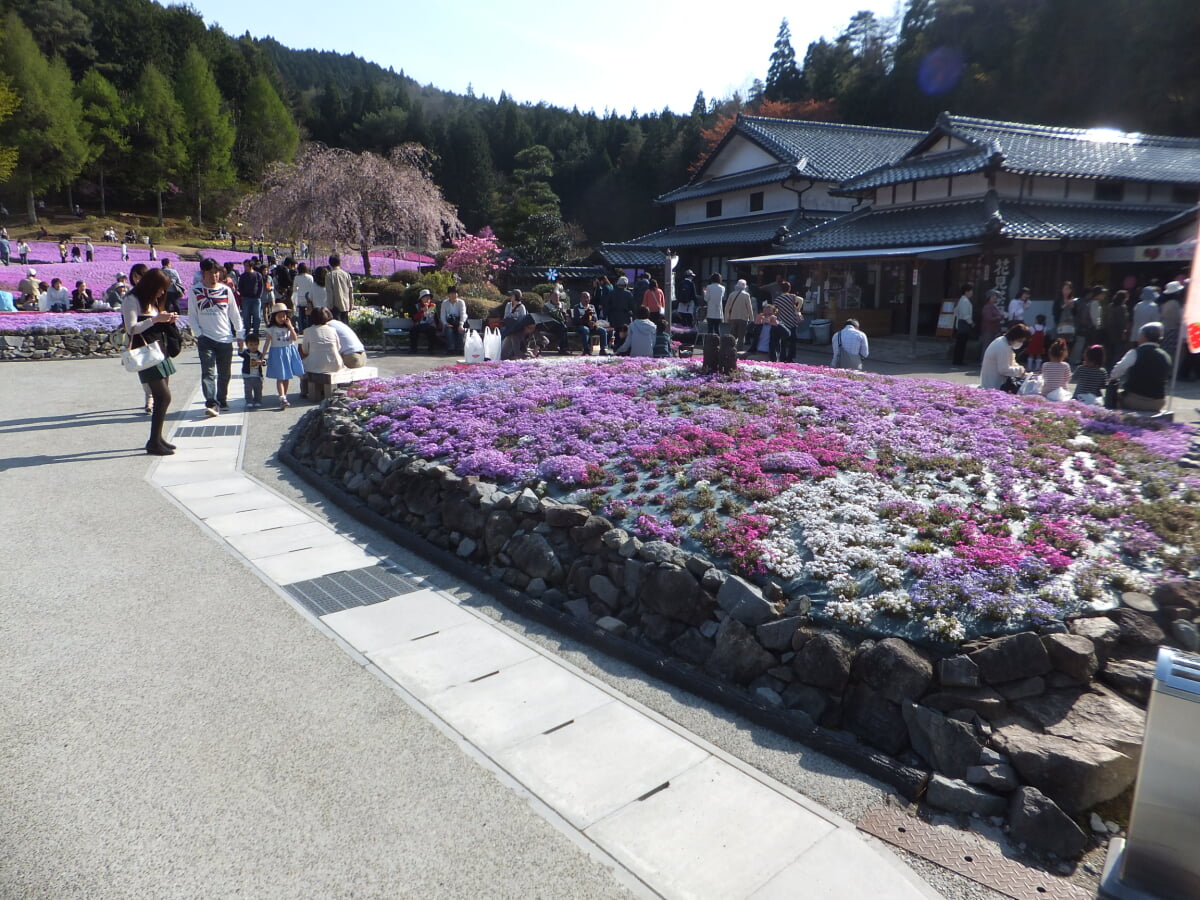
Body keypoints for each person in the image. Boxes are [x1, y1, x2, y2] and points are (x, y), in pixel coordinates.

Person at [122, 268, 179, 455]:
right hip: (145, 353)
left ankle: (157, 438)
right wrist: (155, 320)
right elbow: (131, 329)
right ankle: (154, 442)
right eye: (160, 289)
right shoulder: (132, 299)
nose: (162, 293)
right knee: (163, 396)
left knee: (164, 397)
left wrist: (167, 320)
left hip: (158, 350)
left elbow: (155, 320)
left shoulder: (150, 300)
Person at [191, 257, 245, 418]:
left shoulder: (225, 290)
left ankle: (222, 399)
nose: (214, 276)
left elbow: (234, 314)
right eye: (210, 273)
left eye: (216, 273)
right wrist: (199, 333)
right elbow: (192, 315)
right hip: (206, 338)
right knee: (208, 371)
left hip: (225, 338)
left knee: (224, 373)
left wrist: (240, 333)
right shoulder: (196, 290)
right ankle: (211, 402)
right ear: (203, 273)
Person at [1109, 322, 1172, 412]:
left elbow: (1117, 371)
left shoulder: (1136, 352)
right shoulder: (1166, 356)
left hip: (1136, 400)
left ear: (1143, 336)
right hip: (1158, 402)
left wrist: (1112, 379)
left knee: (1111, 400)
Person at [261, 303, 305, 408]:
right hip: (277, 353)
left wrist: (290, 326)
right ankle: (282, 397)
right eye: (279, 316)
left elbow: (295, 338)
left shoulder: (288, 327)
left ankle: (284, 396)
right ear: (274, 317)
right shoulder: (271, 328)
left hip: (288, 351)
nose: (282, 318)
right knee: (281, 376)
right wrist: (262, 355)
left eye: (284, 316)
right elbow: (267, 342)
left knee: (287, 376)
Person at [980, 323, 1031, 390]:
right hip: (994, 385)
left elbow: (1011, 361)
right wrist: (1020, 370)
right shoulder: (1003, 347)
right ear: (1015, 337)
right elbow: (1004, 370)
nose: (1021, 343)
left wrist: (1019, 369)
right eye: (1020, 341)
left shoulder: (1003, 342)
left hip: (992, 382)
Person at [300, 307, 344, 378]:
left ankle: (307, 388)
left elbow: (305, 351)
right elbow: (338, 347)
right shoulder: (332, 330)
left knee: (300, 366)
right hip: (335, 365)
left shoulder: (308, 331)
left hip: (315, 365)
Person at [571, 291, 608, 356]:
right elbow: (576, 320)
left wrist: (593, 322)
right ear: (581, 298)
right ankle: (586, 350)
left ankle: (603, 349)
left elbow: (596, 318)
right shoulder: (577, 307)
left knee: (603, 331)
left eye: (587, 297)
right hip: (581, 326)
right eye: (584, 297)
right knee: (585, 330)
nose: (586, 299)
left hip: (592, 325)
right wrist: (586, 320)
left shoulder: (592, 306)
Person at [773, 282, 801, 362]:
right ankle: (790, 357)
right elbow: (801, 300)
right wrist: (798, 309)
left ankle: (782, 357)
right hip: (792, 321)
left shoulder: (777, 299)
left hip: (783, 322)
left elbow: (775, 310)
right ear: (789, 289)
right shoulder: (792, 297)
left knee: (783, 341)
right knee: (792, 342)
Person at [237, 258, 265, 338]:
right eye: (244, 266)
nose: (245, 267)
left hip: (256, 298)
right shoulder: (243, 276)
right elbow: (240, 286)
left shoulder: (257, 275)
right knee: (246, 315)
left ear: (251, 266)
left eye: (247, 266)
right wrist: (242, 295)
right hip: (246, 298)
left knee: (257, 316)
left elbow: (260, 286)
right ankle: (247, 329)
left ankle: (256, 330)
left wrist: (259, 295)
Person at [724, 279, 754, 348]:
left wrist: (726, 318)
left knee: (733, 334)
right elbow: (749, 307)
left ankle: (730, 347)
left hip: (733, 317)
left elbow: (727, 307)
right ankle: (739, 348)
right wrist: (751, 318)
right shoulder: (746, 295)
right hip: (743, 318)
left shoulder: (732, 294)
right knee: (741, 335)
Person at [1053, 280, 1078, 361]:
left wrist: (1072, 307)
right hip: (1060, 325)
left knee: (1069, 343)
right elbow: (1055, 312)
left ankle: (1067, 360)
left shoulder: (1073, 300)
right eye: (1065, 289)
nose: (1066, 291)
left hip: (1071, 326)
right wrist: (1064, 306)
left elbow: (1076, 313)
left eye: (1068, 289)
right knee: (1060, 343)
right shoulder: (1058, 300)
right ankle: (1059, 359)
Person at [325, 253, 354, 324]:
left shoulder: (329, 276)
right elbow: (350, 290)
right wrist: (351, 304)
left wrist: (329, 306)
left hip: (335, 307)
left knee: (336, 328)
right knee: (345, 327)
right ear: (339, 263)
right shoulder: (346, 274)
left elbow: (329, 292)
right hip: (345, 305)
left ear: (330, 263)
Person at [439, 285, 468, 355]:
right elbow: (442, 316)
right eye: (451, 293)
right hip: (449, 322)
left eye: (455, 293)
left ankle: (461, 349)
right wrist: (446, 324)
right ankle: (451, 349)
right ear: (448, 295)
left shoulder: (461, 302)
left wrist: (461, 324)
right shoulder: (445, 303)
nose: (453, 295)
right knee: (449, 330)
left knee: (461, 330)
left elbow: (463, 314)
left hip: (459, 322)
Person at [1104, 290, 1130, 367]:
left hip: (1109, 331)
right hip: (1119, 331)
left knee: (1109, 350)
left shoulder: (1110, 306)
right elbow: (1123, 321)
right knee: (1118, 350)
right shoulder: (1122, 308)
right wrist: (1124, 332)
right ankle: (1115, 366)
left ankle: (1107, 365)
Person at [239, 335, 266, 408]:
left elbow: (265, 362)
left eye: (255, 344)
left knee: (258, 390)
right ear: (247, 345)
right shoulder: (246, 353)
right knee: (248, 389)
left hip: (257, 376)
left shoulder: (259, 354)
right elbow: (240, 353)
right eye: (251, 345)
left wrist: (262, 362)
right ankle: (249, 401)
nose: (253, 347)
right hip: (247, 375)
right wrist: (241, 347)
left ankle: (258, 401)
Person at [952, 284, 974, 366]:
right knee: (961, 342)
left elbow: (956, 311)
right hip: (963, 323)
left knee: (960, 342)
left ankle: (957, 359)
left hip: (961, 322)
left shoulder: (962, 300)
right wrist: (971, 322)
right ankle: (958, 360)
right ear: (966, 292)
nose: (972, 292)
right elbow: (965, 315)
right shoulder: (964, 301)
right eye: (971, 291)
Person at [979, 289, 1004, 360]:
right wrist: (999, 317)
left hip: (992, 329)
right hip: (988, 329)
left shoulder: (992, 306)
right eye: (994, 296)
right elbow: (988, 318)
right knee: (987, 346)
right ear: (989, 297)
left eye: (995, 296)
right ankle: (983, 361)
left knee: (990, 346)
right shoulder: (988, 307)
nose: (995, 298)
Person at [291, 262, 316, 329]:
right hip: (308, 297)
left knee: (301, 313)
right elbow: (312, 287)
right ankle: (309, 325)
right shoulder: (310, 277)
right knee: (309, 313)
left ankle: (302, 327)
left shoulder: (297, 277)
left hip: (300, 297)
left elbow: (294, 289)